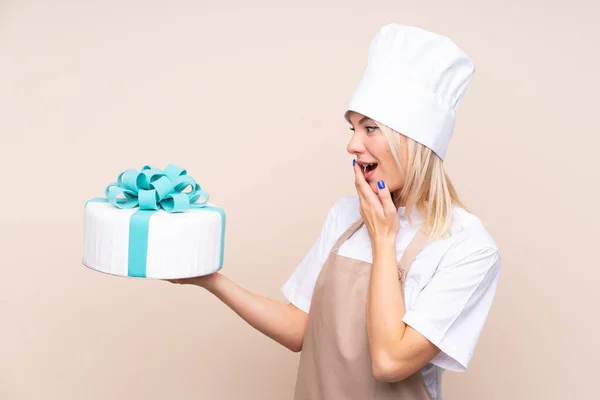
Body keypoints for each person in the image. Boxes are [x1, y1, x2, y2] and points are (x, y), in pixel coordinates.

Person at [168, 23, 501, 400]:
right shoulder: (345, 216)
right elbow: (299, 328)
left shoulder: (467, 247)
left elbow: (390, 361)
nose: (352, 145)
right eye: (352, 128)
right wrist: (211, 281)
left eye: (370, 128)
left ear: (416, 141)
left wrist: (384, 238)